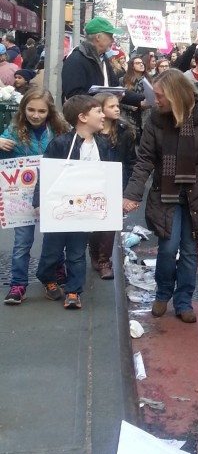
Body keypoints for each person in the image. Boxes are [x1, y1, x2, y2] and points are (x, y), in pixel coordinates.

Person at [122, 69, 198, 323]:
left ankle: (184, 301)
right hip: (165, 192)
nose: (154, 100)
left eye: (159, 96)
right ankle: (163, 293)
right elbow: (145, 159)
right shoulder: (156, 120)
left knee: (190, 250)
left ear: (175, 95)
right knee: (168, 248)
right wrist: (132, 194)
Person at [36, 95, 108, 310]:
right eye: (98, 111)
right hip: (60, 207)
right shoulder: (61, 143)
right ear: (83, 117)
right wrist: (38, 202)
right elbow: (45, 174)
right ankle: (47, 277)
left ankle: (74, 290)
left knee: (77, 252)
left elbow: (109, 175)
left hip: (84, 210)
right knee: (52, 252)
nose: (103, 115)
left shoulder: (102, 144)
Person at [0, 90, 69, 305]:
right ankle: (18, 284)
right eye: (31, 109)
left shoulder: (59, 130)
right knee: (22, 242)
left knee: (54, 239)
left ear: (49, 112)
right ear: (23, 109)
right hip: (21, 196)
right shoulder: (13, 130)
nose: (36, 115)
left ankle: (53, 273)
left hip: (51, 192)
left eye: (41, 111)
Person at [88, 93, 136, 280]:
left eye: (118, 106)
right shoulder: (90, 132)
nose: (117, 109)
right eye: (112, 106)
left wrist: (130, 186)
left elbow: (131, 160)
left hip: (117, 182)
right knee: (93, 224)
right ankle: (94, 254)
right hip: (94, 183)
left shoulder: (125, 131)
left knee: (111, 223)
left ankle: (103, 261)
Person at [61, 17, 142, 110]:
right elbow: (74, 97)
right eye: (110, 36)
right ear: (98, 37)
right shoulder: (76, 59)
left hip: (101, 118)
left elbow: (116, 89)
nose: (113, 40)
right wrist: (103, 100)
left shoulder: (103, 59)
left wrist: (141, 100)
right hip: (85, 120)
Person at [121, 55, 151, 133]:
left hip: (145, 117)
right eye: (137, 63)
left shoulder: (150, 80)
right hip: (129, 117)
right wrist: (131, 106)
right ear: (132, 66)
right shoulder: (123, 80)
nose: (141, 64)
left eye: (142, 63)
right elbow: (119, 99)